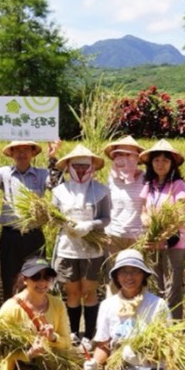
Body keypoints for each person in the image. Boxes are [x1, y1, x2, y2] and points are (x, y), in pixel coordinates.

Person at [80, 249, 172, 370]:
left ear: (144, 274)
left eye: (135, 271)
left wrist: (141, 354)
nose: (129, 276)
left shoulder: (157, 305)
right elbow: (104, 345)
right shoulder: (107, 305)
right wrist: (95, 362)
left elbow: (168, 347)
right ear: (116, 276)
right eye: (124, 271)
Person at [0, 134, 54, 302]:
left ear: (33, 153)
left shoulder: (42, 174)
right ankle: (11, 315)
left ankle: (36, 313)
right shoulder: (5, 173)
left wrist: (53, 158)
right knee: (10, 276)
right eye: (17, 150)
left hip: (34, 235)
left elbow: (56, 184)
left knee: (38, 276)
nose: (21, 153)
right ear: (11, 153)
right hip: (10, 235)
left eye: (26, 149)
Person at [0, 257, 77, 370]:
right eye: (35, 277)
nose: (42, 282)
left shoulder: (57, 304)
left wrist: (53, 337)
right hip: (21, 367)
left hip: (50, 365)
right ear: (25, 279)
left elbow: (67, 342)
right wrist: (29, 353)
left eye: (46, 277)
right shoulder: (10, 308)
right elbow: (1, 350)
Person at [51, 144, 111, 345]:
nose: (81, 170)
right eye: (76, 166)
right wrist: (65, 224)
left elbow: (106, 218)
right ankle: (74, 332)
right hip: (68, 248)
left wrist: (91, 224)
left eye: (85, 166)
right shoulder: (59, 191)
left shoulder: (101, 191)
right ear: (68, 167)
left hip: (92, 250)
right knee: (72, 291)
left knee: (89, 291)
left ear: (92, 167)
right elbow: (53, 217)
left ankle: (90, 334)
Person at [139, 139, 185, 319]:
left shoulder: (178, 185)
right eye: (156, 160)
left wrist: (163, 236)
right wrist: (146, 221)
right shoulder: (149, 185)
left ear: (172, 164)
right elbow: (143, 210)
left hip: (173, 243)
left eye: (165, 160)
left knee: (172, 287)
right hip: (152, 243)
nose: (160, 164)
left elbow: (180, 215)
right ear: (151, 163)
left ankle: (175, 326)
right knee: (155, 284)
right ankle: (158, 324)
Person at [101, 136, 148, 264]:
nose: (123, 159)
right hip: (114, 236)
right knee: (114, 276)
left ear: (137, 158)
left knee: (136, 276)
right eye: (119, 154)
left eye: (128, 155)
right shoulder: (112, 178)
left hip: (138, 237)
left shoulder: (146, 178)